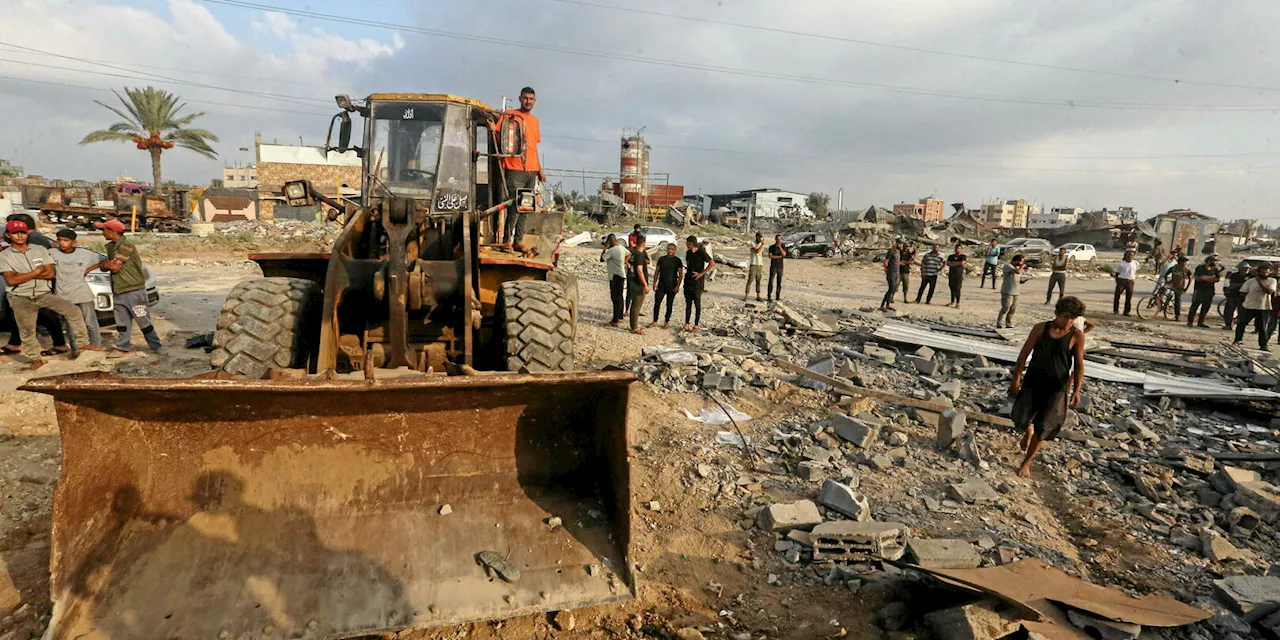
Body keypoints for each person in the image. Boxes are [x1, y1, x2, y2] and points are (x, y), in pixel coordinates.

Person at [0, 220, 99, 369]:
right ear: (8, 235)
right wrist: (36, 271)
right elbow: (11, 280)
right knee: (27, 329)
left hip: (43, 293)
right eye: (15, 233)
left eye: (23, 232)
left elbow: (50, 273)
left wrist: (23, 275)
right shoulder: (5, 256)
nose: (20, 236)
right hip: (20, 296)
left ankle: (82, 345)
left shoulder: (39, 250)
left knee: (73, 311)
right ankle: (35, 359)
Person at [1009, 296, 1087, 478]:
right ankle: (1028, 431)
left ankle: (1026, 462)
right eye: (1066, 316)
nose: (1069, 321)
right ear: (1057, 314)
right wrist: (1016, 379)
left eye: (1073, 318)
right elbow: (1024, 354)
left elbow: (1079, 365)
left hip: (1057, 387)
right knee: (1020, 417)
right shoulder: (1040, 328)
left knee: (1044, 427)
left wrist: (1076, 391)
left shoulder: (1076, 335)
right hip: (1033, 381)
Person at [1, 213, 67, 355]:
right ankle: (15, 343)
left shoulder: (34, 240)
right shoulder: (35, 238)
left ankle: (59, 344)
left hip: (38, 285)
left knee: (46, 314)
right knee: (20, 314)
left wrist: (24, 275)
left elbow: (44, 269)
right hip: (29, 285)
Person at [96, 219, 162, 352]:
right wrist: (106, 265)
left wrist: (105, 265)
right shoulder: (111, 247)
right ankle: (123, 346)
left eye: (104, 230)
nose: (102, 233)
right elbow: (107, 266)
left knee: (143, 320)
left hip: (133, 290)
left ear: (113, 231)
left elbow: (113, 267)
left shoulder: (126, 246)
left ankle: (155, 345)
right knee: (122, 322)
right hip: (119, 290)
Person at [499, 87, 545, 251]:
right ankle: (507, 240)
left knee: (527, 205)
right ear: (520, 98)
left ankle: (519, 240)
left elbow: (534, 148)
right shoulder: (509, 115)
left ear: (534, 101)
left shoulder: (535, 121)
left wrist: (539, 169)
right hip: (514, 166)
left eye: (531, 99)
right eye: (525, 98)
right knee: (515, 204)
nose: (528, 101)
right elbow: (499, 135)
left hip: (531, 169)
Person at [51, 228, 102, 349]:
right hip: (64, 295)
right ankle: (76, 349)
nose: (62, 243)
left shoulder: (85, 254)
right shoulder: (52, 253)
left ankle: (96, 347)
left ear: (74, 242)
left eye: (66, 240)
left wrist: (88, 270)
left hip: (82, 294)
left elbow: (103, 261)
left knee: (90, 323)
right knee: (70, 324)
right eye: (59, 240)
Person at [1233, 263, 1276, 350]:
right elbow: (1243, 292)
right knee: (1241, 324)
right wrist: (1242, 304)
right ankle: (1237, 340)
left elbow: (1269, 291)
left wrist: (1259, 282)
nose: (1264, 274)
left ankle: (1263, 345)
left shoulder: (1272, 281)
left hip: (1263, 307)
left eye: (1266, 273)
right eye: (1262, 272)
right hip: (1249, 306)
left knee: (1262, 327)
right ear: (1259, 272)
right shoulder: (1251, 281)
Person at [682, 235, 714, 331]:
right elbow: (688, 264)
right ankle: (687, 323)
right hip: (688, 280)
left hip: (698, 281)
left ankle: (696, 324)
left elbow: (712, 263)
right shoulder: (688, 253)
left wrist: (701, 274)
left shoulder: (701, 252)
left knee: (697, 303)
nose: (686, 244)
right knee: (688, 303)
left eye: (687, 243)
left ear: (691, 243)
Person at [649, 244, 683, 329]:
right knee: (657, 303)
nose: (670, 251)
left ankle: (666, 321)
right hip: (661, 285)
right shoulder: (661, 259)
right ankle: (654, 320)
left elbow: (681, 274)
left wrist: (678, 286)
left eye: (672, 249)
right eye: (668, 249)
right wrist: (654, 283)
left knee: (669, 304)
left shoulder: (677, 260)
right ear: (666, 249)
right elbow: (657, 272)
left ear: (675, 250)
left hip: (672, 285)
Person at [624, 234, 650, 334]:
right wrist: (645, 285)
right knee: (636, 305)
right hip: (638, 283)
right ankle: (634, 327)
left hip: (634, 281)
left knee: (635, 304)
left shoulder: (636, 253)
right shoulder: (639, 255)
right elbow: (639, 271)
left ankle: (633, 325)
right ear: (644, 243)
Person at [599, 234, 627, 326]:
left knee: (615, 298)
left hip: (614, 276)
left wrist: (604, 249)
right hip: (621, 274)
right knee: (620, 297)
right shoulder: (621, 247)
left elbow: (602, 259)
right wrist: (625, 262)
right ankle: (620, 317)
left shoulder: (611, 250)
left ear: (609, 242)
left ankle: (615, 320)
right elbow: (629, 253)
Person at [1187, 255, 1222, 328]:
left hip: (1210, 291)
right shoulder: (1200, 268)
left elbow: (1217, 279)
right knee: (1195, 306)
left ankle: (1201, 322)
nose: (1215, 263)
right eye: (1214, 261)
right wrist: (1211, 278)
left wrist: (1206, 278)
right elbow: (1199, 278)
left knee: (1206, 307)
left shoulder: (1214, 269)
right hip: (1199, 290)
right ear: (1209, 261)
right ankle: (1190, 321)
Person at [997, 254, 1026, 329]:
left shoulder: (1017, 268)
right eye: (1021, 262)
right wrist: (1022, 267)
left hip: (1016, 291)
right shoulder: (1008, 266)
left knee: (1013, 308)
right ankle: (999, 323)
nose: (1022, 263)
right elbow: (1017, 272)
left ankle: (1008, 323)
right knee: (1005, 308)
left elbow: (1017, 277)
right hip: (1007, 291)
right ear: (1016, 260)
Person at [1222, 263, 1251, 330]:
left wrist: (1239, 285)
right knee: (1228, 311)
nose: (1246, 270)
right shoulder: (1235, 275)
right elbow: (1231, 284)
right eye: (1244, 268)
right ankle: (1228, 325)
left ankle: (1240, 326)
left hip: (1244, 297)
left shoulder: (1250, 276)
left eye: (1248, 268)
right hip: (1233, 295)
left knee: (1242, 312)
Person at [1112, 250, 1138, 316]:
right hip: (1122, 280)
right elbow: (1117, 273)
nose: (1130, 257)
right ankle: (1116, 310)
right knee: (1117, 296)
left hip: (1131, 281)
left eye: (1132, 255)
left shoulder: (1136, 263)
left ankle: (1126, 312)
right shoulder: (1121, 264)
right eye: (1129, 255)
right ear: (1125, 256)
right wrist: (1118, 282)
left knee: (1129, 297)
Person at [1167, 256, 1191, 321]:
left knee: (1177, 300)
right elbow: (1166, 274)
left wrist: (1186, 288)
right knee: (1162, 290)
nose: (1185, 263)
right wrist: (1167, 282)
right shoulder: (1174, 268)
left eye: (1185, 262)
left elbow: (1190, 279)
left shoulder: (1186, 270)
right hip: (1172, 285)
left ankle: (1177, 316)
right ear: (1179, 262)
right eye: (1184, 262)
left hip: (1180, 287)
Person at [879, 240, 901, 311]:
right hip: (891, 273)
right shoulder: (891, 251)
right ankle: (882, 305)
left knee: (893, 290)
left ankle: (888, 305)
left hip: (897, 273)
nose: (901, 245)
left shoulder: (898, 252)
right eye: (900, 244)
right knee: (890, 289)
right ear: (896, 243)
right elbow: (886, 262)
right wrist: (888, 271)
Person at [744, 231, 764, 302]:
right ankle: (746, 295)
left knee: (758, 280)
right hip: (754, 264)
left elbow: (761, 254)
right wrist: (762, 244)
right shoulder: (752, 243)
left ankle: (758, 296)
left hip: (759, 264)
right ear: (756, 237)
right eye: (760, 237)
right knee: (750, 280)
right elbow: (757, 251)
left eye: (761, 237)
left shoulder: (761, 244)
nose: (761, 238)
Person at [767, 234, 785, 301]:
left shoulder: (783, 246)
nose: (779, 240)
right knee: (771, 281)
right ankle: (769, 295)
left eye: (780, 239)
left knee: (779, 282)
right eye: (778, 239)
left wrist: (780, 247)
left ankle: (777, 296)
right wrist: (779, 257)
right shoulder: (772, 247)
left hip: (780, 266)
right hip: (773, 266)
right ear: (775, 239)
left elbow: (784, 254)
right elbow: (770, 256)